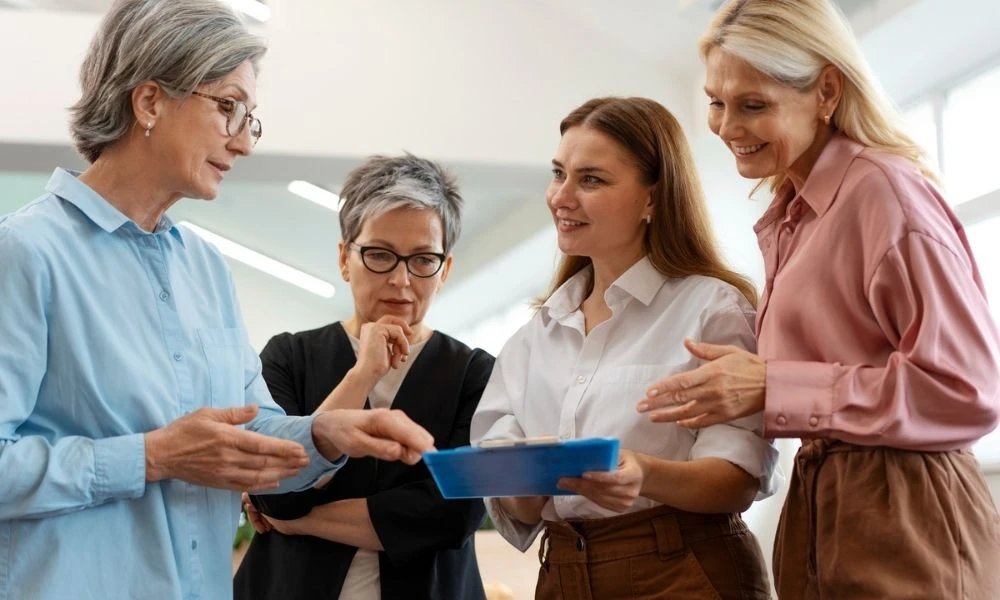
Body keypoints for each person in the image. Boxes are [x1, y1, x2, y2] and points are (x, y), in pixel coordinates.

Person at [0, 2, 435, 599]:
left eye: (249, 117)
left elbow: (255, 441)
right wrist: (152, 457)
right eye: (227, 107)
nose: (244, 142)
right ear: (149, 101)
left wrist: (329, 433)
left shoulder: (205, 269)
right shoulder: (24, 254)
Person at [638, 1, 1000, 598]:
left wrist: (774, 385)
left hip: (908, 505)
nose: (728, 126)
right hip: (822, 505)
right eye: (716, 102)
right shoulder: (791, 214)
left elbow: (968, 389)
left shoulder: (884, 195)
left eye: (753, 105)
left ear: (826, 91)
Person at [471, 97, 780, 600]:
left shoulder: (711, 309)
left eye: (591, 180)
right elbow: (519, 507)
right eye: (558, 174)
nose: (561, 197)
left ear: (653, 200)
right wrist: (521, 481)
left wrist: (645, 473)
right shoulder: (534, 338)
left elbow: (738, 479)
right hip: (562, 572)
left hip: (681, 571)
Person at [234, 155, 494, 600]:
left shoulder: (475, 373)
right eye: (379, 255)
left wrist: (298, 520)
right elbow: (274, 490)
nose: (400, 279)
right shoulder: (288, 356)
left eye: (423, 260)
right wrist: (362, 373)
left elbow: (451, 515)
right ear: (344, 258)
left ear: (444, 270)